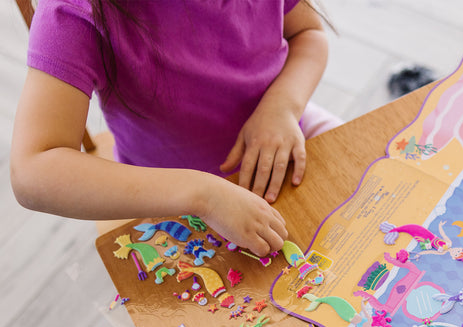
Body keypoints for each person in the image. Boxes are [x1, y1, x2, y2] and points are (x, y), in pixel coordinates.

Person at [10, 0, 341, 258]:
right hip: (172, 201)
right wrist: (202, 195)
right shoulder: (77, 12)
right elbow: (33, 170)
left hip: (285, 134)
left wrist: (282, 107)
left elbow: (307, 34)